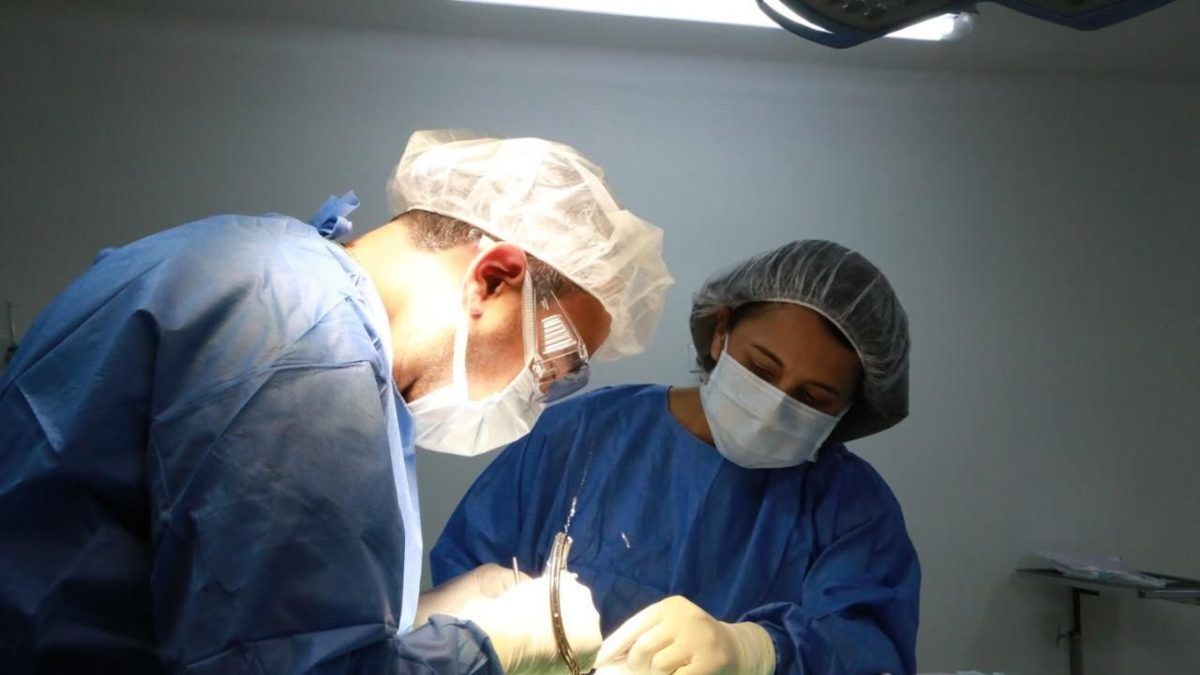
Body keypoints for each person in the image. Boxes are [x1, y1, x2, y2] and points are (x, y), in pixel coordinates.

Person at [0, 129, 674, 674]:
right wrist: (490, 647)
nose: (543, 391)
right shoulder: (308, 353)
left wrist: (410, 622)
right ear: (493, 278)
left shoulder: (265, 273)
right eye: (558, 359)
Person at [432, 240, 920, 675]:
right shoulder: (583, 433)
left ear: (848, 409)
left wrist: (759, 651)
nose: (774, 405)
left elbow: (868, 652)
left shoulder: (853, 510)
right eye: (761, 369)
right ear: (721, 331)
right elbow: (467, 581)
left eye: (811, 398)